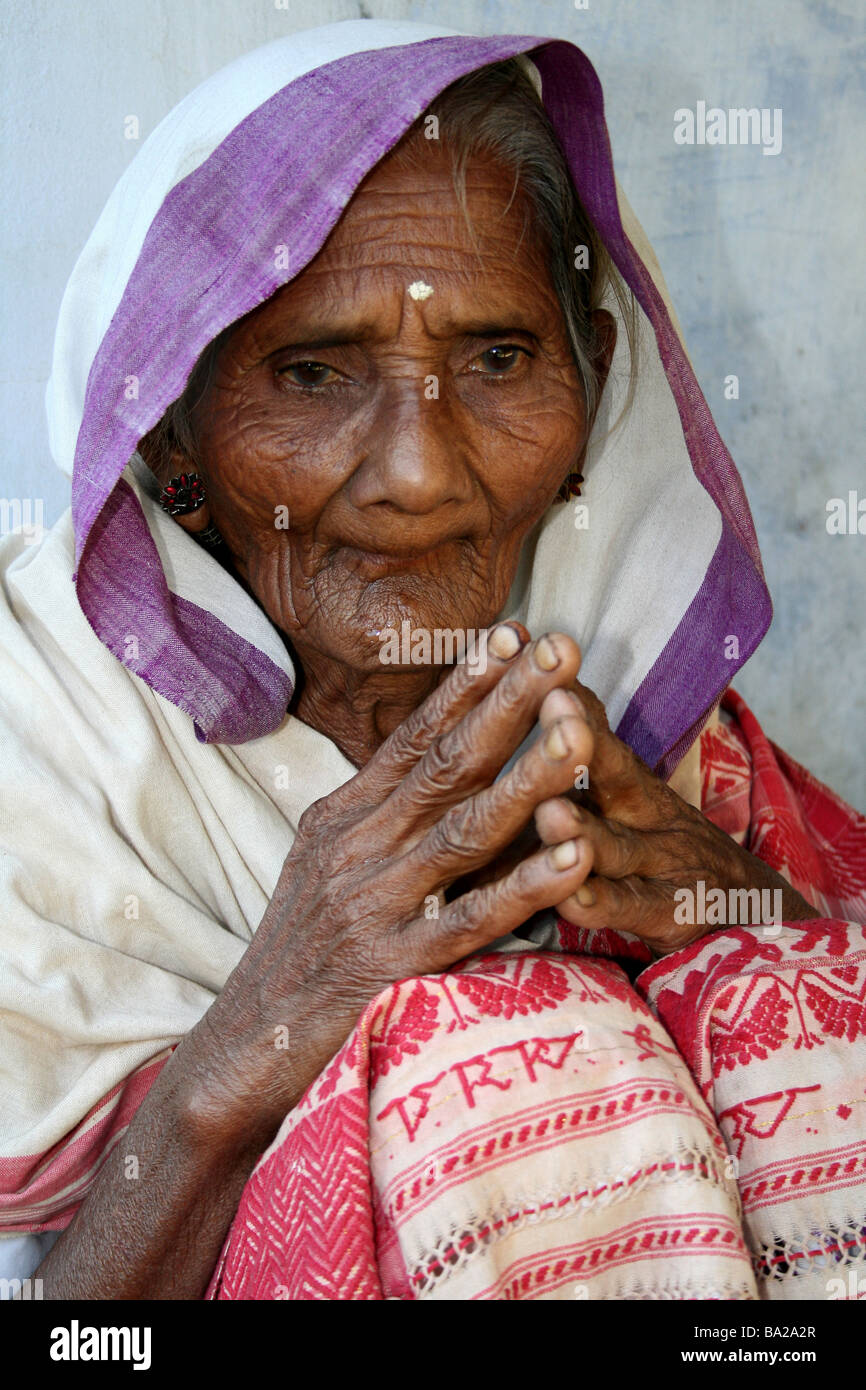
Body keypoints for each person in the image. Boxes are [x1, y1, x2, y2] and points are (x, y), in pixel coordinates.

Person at [1, 19, 864, 1301]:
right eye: (312, 371)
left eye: (498, 359)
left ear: (590, 389)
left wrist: (745, 913)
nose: (416, 472)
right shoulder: (39, 742)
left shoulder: (650, 725)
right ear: (172, 429)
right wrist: (269, 1022)